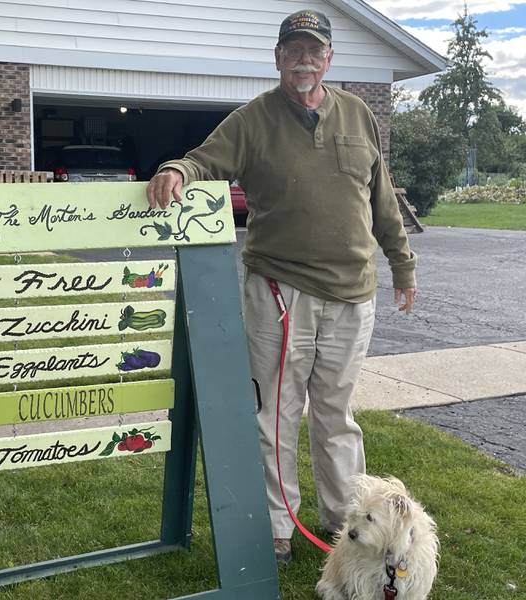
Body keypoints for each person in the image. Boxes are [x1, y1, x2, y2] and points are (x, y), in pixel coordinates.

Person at [146, 9, 417, 564]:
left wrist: (402, 265)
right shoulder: (252, 119)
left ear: (329, 60)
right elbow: (203, 160)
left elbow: (381, 198)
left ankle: (349, 529)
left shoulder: (358, 113)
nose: (304, 60)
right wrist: (176, 169)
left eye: (314, 51)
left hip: (352, 294)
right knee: (273, 412)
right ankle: (276, 530)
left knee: (336, 416)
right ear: (278, 58)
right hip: (279, 292)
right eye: (294, 50)